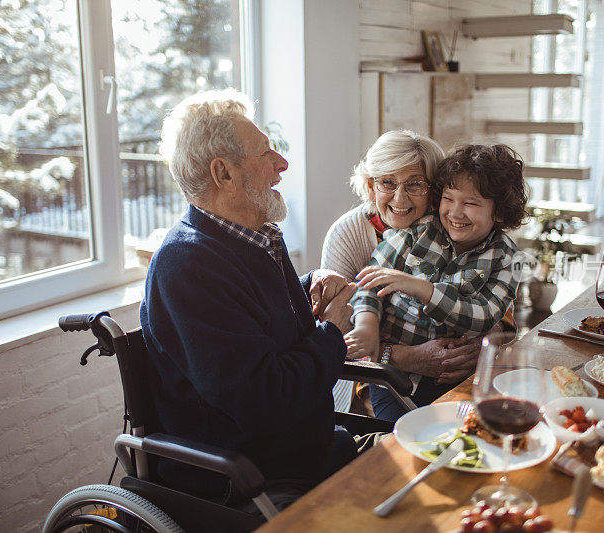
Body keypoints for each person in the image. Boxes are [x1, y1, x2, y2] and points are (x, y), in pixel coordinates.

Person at [140, 88, 369, 512]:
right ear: (223, 173)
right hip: (253, 479)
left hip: (310, 450)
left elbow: (251, 312)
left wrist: (309, 284)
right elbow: (267, 400)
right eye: (266, 153)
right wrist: (333, 331)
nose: (281, 164)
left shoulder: (252, 238)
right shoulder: (187, 266)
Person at [321, 131, 514, 416]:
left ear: (434, 190)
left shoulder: (455, 230)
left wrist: (473, 346)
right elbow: (338, 334)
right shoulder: (348, 233)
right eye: (387, 182)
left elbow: (502, 319)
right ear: (371, 187)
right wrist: (405, 357)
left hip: (456, 377)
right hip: (371, 382)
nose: (400, 197)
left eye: (415, 184)